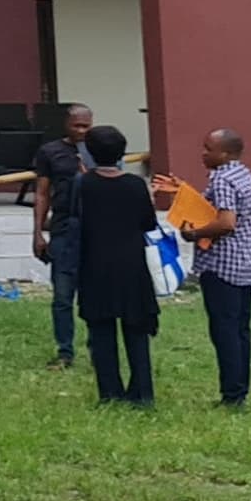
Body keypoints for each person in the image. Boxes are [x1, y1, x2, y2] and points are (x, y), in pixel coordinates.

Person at [62, 122, 161, 405]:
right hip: (132, 266)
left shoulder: (83, 184)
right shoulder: (135, 185)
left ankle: (110, 393)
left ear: (89, 152)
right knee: (137, 332)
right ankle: (142, 393)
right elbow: (148, 223)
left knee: (102, 332)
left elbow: (73, 219)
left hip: (96, 266)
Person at [16, 101, 96, 371]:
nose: (83, 131)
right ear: (66, 124)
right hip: (63, 227)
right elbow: (41, 193)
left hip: (94, 231)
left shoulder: (99, 150)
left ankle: (98, 349)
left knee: (93, 294)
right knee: (62, 295)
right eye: (77, 125)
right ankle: (65, 351)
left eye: (87, 126)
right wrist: (38, 233)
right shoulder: (51, 152)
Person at [187, 127, 251, 407]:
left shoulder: (222, 180)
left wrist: (194, 234)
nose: (203, 154)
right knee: (241, 329)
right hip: (243, 262)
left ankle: (232, 394)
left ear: (225, 153)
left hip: (221, 264)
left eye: (208, 149)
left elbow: (226, 222)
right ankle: (240, 389)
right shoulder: (243, 173)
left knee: (224, 330)